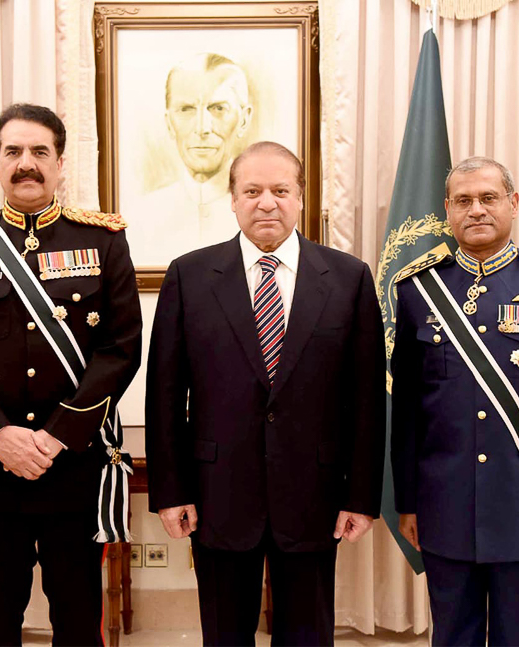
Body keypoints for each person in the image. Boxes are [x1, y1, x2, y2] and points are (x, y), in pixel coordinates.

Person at [146, 141, 385, 645]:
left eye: (280, 190)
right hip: (218, 496)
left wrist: (361, 496)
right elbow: (165, 396)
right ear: (232, 200)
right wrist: (172, 492)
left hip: (315, 499)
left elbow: (366, 402)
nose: (267, 203)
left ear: (301, 198)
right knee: (225, 635)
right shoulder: (189, 276)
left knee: (308, 636)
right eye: (252, 191)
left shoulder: (348, 278)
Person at [0, 103, 142, 645]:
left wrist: (56, 435)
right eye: (13, 152)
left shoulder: (104, 240)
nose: (26, 164)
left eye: (40, 152)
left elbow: (121, 349)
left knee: (79, 610)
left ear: (60, 163)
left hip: (74, 461)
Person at [391, 156, 519, 646]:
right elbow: (406, 411)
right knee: (452, 637)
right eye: (463, 200)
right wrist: (407, 500)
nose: (476, 210)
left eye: (488, 198)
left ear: (513, 203)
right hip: (444, 506)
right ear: (447, 210)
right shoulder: (417, 289)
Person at [126, 53, 254, 264]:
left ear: (243, 120)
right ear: (169, 123)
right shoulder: (140, 218)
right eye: (186, 110)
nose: (202, 128)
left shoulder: (263, 217)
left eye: (218, 109)